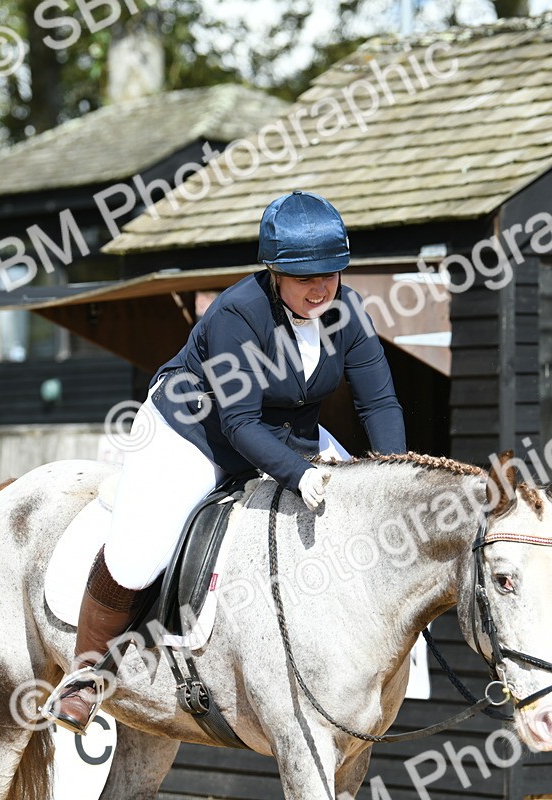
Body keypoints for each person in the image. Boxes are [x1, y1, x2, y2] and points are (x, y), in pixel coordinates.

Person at [42, 190, 407, 734]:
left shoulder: (347, 311)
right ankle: (86, 675)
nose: (321, 287)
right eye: (304, 275)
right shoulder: (237, 313)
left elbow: (378, 403)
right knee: (141, 554)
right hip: (194, 430)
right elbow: (239, 427)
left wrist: (391, 477)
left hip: (288, 430)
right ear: (273, 271)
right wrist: (301, 473)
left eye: (331, 272)